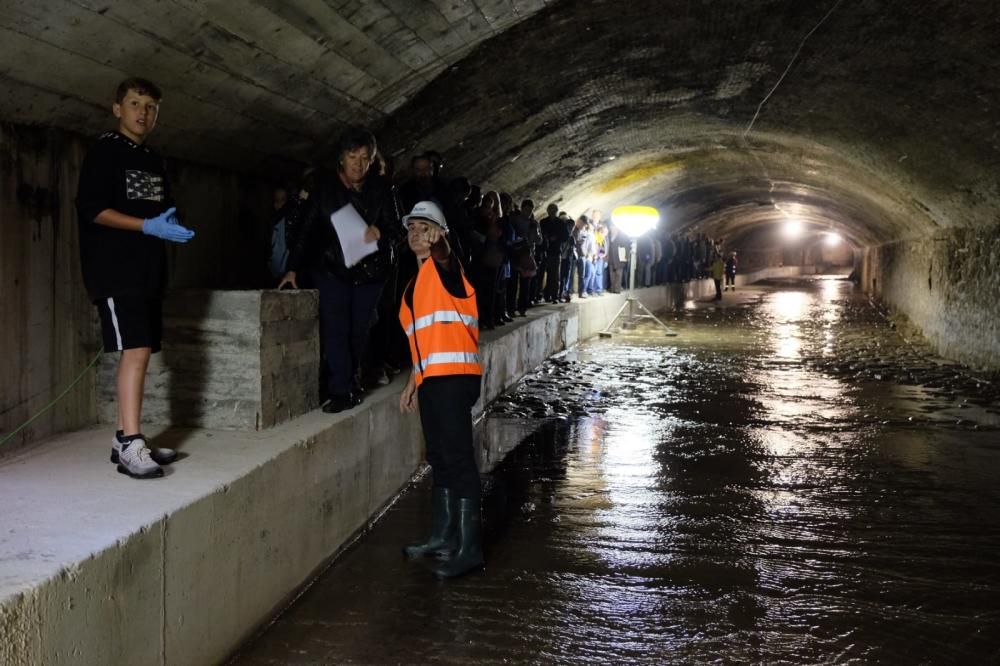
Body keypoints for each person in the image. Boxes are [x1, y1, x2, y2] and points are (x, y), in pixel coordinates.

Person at [76, 77, 195, 479]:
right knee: (137, 350)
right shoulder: (104, 151)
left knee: (142, 350)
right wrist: (146, 226)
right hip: (114, 267)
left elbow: (162, 207)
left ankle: (124, 436)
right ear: (117, 109)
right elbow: (93, 209)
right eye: (134, 104)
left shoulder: (154, 158)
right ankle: (131, 445)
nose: (143, 113)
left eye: (151, 107)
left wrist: (168, 223)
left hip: (147, 269)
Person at [280, 127, 402, 413]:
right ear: (341, 158)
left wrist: (381, 232)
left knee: (357, 331)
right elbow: (306, 232)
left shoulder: (383, 190)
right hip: (332, 269)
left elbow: (398, 228)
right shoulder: (324, 191)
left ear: (372, 161)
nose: (358, 164)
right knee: (336, 329)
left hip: (370, 272)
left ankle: (350, 380)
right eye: (352, 156)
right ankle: (341, 392)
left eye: (364, 158)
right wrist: (292, 269)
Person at [398, 201, 485, 579]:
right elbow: (422, 340)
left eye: (425, 227)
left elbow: (447, 257)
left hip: (455, 377)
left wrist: (440, 243)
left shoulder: (447, 268)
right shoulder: (414, 284)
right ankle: (442, 536)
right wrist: (412, 383)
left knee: (459, 458)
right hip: (433, 380)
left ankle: (470, 549)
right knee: (440, 457)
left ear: (440, 233)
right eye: (412, 227)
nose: (416, 232)